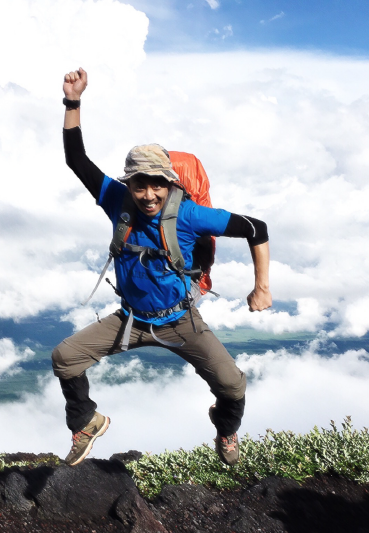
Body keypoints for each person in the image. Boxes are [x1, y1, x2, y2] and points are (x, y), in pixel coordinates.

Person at [53, 68, 272, 467]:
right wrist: (73, 101)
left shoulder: (188, 215)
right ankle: (87, 422)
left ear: (170, 183)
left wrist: (262, 286)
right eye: (139, 184)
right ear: (129, 183)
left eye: (157, 184)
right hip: (130, 321)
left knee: (233, 387)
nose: (148, 194)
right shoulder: (116, 200)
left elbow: (256, 228)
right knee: (65, 358)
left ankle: (225, 429)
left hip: (180, 321)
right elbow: (76, 159)